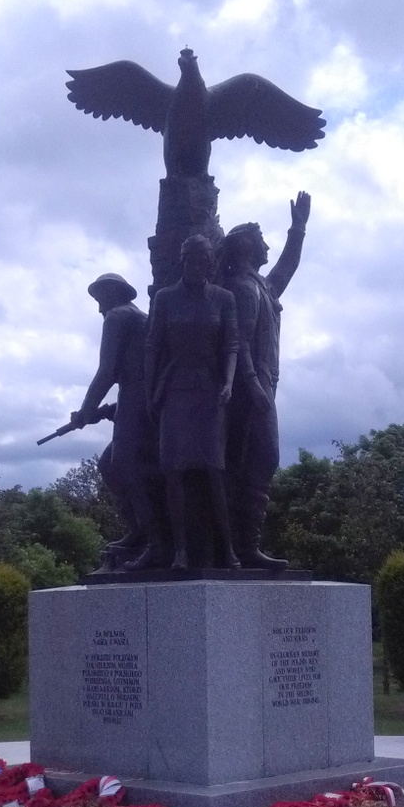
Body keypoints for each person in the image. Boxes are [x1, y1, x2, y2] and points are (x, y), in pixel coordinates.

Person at [218, 191, 310, 569]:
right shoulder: (240, 288)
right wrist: (254, 387)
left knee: (258, 463)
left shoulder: (258, 285)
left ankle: (244, 545)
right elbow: (236, 342)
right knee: (255, 461)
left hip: (262, 388)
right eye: (261, 240)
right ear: (246, 247)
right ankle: (240, 546)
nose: (267, 244)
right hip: (247, 392)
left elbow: (285, 271)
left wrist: (298, 229)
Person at [144, 234, 240, 570]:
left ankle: (227, 549)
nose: (199, 265)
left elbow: (231, 346)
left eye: (205, 260)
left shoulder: (223, 298)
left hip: (211, 393)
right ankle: (180, 550)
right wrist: (150, 393)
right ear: (184, 261)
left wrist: (228, 382)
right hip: (175, 391)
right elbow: (153, 346)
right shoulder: (166, 299)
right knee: (174, 471)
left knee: (214, 470)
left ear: (211, 262)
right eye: (192, 259)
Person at [70, 273, 158, 569]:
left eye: (100, 300)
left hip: (137, 399)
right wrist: (104, 411)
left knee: (120, 465)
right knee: (114, 464)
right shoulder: (140, 317)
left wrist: (85, 410)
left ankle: (152, 536)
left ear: (113, 294)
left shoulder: (118, 317)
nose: (99, 310)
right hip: (144, 400)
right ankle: (142, 531)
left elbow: (108, 371)